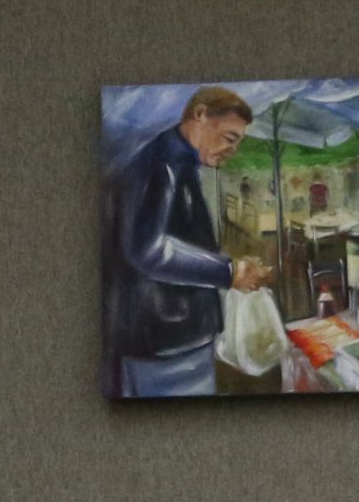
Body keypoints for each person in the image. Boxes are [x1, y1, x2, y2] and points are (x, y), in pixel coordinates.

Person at [107, 86, 268, 399]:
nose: (232, 150)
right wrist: (230, 272)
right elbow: (147, 251)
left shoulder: (176, 163)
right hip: (165, 343)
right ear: (200, 115)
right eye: (230, 138)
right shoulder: (160, 163)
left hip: (172, 340)